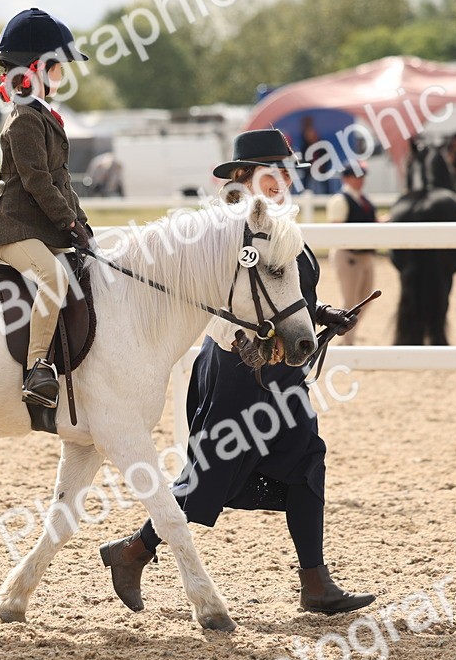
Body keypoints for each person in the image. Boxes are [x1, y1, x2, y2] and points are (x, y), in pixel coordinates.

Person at [98, 129, 376, 617]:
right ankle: (133, 551)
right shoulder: (226, 230)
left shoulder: (278, 223)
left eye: (286, 171)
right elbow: (222, 300)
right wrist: (256, 344)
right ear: (245, 176)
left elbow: (286, 294)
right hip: (237, 367)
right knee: (211, 476)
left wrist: (321, 315)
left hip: (281, 368)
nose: (284, 180)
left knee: (308, 459)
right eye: (274, 170)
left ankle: (315, 582)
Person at [0, 7, 91, 410]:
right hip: (13, 229)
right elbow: (38, 182)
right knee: (52, 278)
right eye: (57, 69)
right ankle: (38, 367)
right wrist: (68, 222)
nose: (61, 78)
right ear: (35, 69)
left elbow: (62, 179)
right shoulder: (24, 119)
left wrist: (83, 224)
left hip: (38, 228)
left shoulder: (42, 116)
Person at [389, 138, 456, 345]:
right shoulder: (449, 201)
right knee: (441, 282)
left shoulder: (402, 203)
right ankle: (437, 336)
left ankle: (407, 339)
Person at [326, 161, 377, 344]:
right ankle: (347, 341)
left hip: (365, 255)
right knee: (350, 299)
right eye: (356, 176)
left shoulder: (363, 199)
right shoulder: (340, 200)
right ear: (346, 178)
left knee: (365, 298)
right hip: (348, 255)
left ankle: (348, 335)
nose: (360, 180)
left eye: (362, 176)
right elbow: (337, 228)